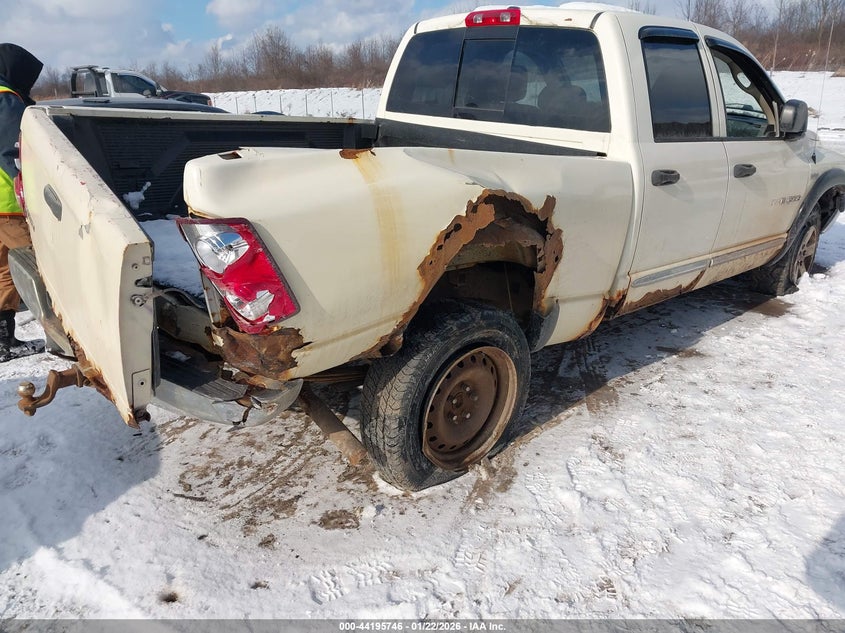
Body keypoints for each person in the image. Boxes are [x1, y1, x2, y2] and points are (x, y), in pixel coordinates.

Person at [0, 43, 44, 362]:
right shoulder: (6, 99)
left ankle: (3, 341)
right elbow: (15, 153)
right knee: (42, 267)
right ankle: (69, 336)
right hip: (8, 206)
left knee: (4, 271)